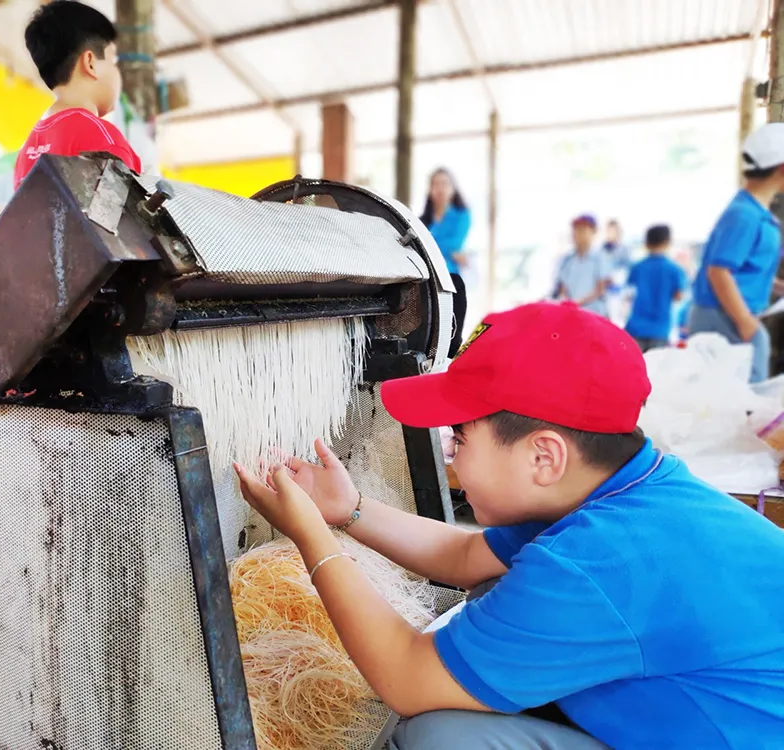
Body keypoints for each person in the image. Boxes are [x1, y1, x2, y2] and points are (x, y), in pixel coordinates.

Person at [235, 301, 784, 750]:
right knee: (495, 589)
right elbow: (464, 558)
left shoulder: (600, 560)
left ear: (543, 458)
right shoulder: (630, 489)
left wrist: (311, 536)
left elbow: (405, 679)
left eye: (461, 438)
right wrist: (348, 510)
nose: (451, 459)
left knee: (440, 738)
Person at [690, 123, 784, 383]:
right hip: (722, 316)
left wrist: (777, 287)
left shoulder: (754, 212)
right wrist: (744, 320)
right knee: (744, 400)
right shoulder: (744, 215)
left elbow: (743, 269)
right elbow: (719, 271)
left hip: (728, 313)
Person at [14, 0, 142, 190]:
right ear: (90, 63)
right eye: (113, 60)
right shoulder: (103, 138)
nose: (117, 72)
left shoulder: (26, 151)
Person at [624, 224, 687, 352]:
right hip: (660, 328)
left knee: (635, 366)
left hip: (636, 326)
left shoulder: (638, 267)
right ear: (667, 242)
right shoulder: (675, 269)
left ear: (646, 243)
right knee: (655, 368)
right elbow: (679, 296)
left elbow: (628, 293)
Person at [551, 214, 610, 317]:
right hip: (572, 314)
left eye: (583, 230)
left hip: (595, 315)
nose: (578, 234)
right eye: (576, 230)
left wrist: (578, 302)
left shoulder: (600, 258)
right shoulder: (567, 260)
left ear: (593, 232)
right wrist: (567, 302)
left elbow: (600, 289)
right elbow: (563, 288)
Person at [420, 167, 471, 275]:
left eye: (444, 184)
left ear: (453, 188)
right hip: (425, 272)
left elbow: (455, 244)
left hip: (450, 273)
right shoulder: (422, 220)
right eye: (436, 184)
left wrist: (427, 245)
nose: (440, 189)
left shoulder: (462, 215)